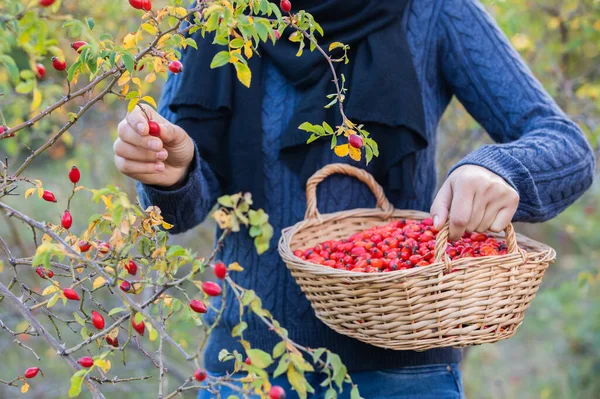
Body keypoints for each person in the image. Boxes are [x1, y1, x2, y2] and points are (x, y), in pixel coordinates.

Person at [113, 0, 595, 397]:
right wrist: (170, 175)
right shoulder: (218, 18)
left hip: (402, 379)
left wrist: (496, 169)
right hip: (246, 373)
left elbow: (567, 146)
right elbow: (178, 210)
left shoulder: (432, 11)